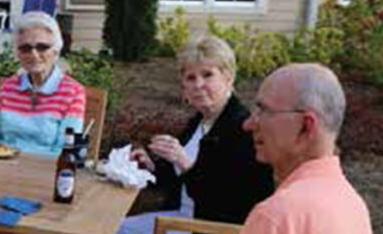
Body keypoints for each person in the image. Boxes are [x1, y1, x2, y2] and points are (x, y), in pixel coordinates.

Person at [117, 35, 275, 233]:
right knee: (110, 225)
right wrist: (151, 166)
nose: (198, 84)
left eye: (208, 75)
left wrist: (184, 162)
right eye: (191, 78)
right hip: (179, 217)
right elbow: (177, 179)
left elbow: (227, 201)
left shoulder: (243, 129)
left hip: (208, 226)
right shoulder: (199, 122)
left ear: (228, 77)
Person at [239, 63, 372, 234]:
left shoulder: (278, 216)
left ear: (306, 127)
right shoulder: (352, 205)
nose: (248, 124)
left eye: (264, 111)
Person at [0, 11, 86, 157]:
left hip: (45, 172)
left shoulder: (73, 92)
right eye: (25, 48)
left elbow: (66, 150)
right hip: (3, 167)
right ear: (18, 53)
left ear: (55, 50)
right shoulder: (7, 87)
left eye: (42, 47)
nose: (33, 54)